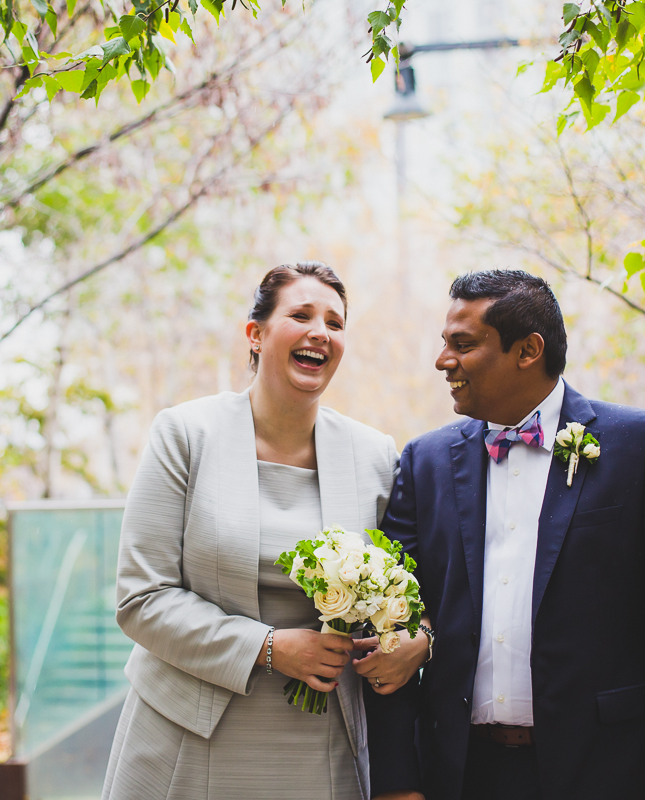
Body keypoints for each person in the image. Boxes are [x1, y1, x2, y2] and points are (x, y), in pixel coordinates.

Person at [361, 270, 645, 800]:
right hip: (459, 776)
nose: (443, 361)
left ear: (528, 350)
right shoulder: (424, 464)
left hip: (610, 774)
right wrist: (397, 783)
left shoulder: (641, 447)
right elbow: (385, 623)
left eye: (462, 345)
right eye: (445, 344)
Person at [102, 261, 428, 800]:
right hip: (186, 732)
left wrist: (416, 636)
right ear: (255, 334)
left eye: (335, 323)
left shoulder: (376, 455)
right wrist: (270, 647)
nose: (320, 332)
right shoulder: (185, 435)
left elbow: (412, 588)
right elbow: (142, 598)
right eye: (301, 315)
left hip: (323, 740)